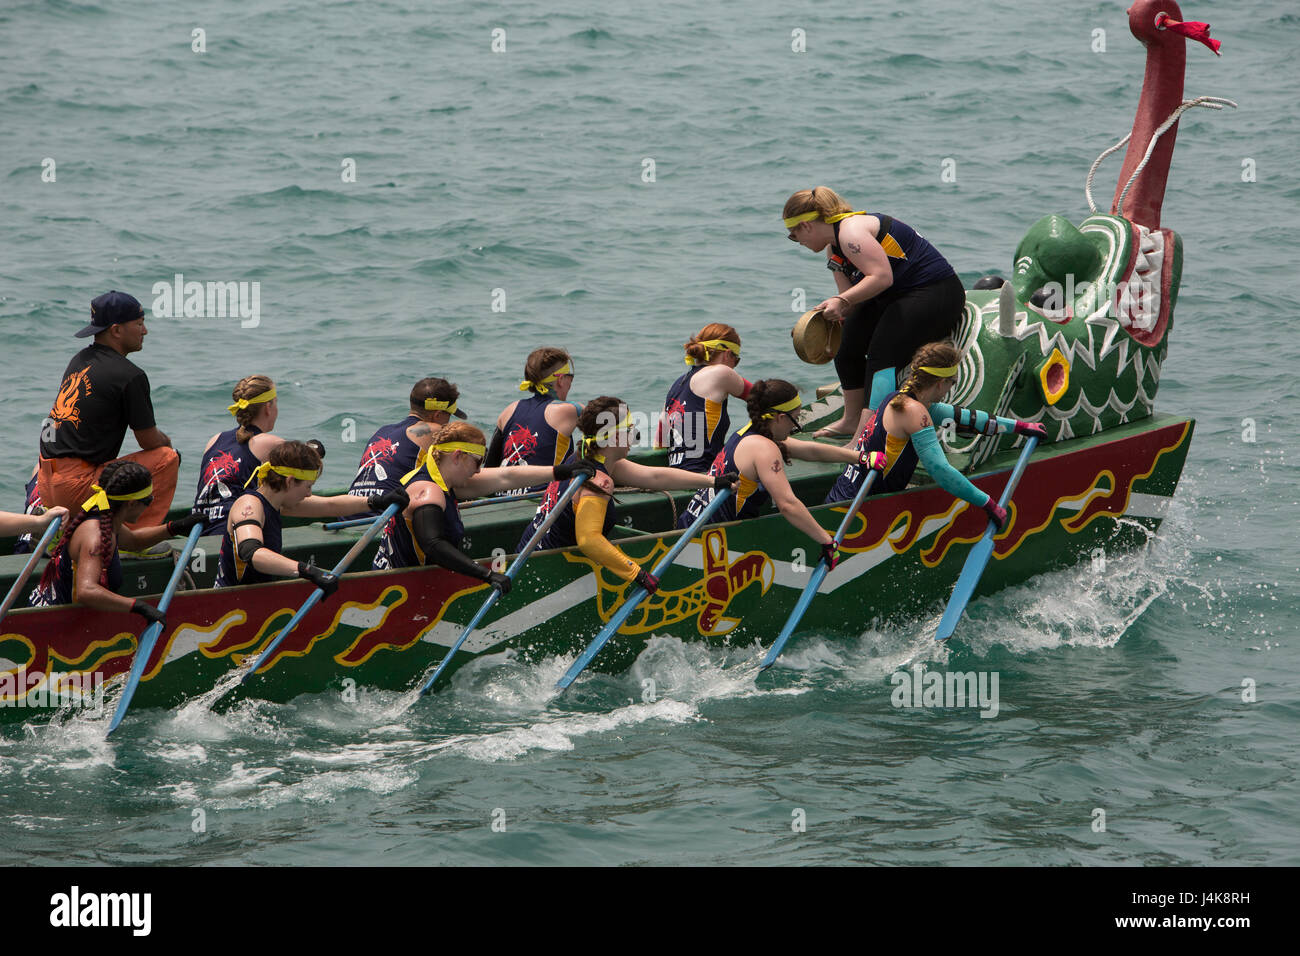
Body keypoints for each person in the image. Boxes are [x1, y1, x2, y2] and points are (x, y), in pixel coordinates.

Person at [783, 187, 965, 439]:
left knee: (881, 354)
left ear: (806, 225)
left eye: (794, 235)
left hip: (934, 292)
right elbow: (851, 301)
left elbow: (881, 277)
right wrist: (816, 323)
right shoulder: (833, 248)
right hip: (893, 296)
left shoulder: (851, 234)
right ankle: (850, 419)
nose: (798, 242)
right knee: (845, 347)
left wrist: (840, 299)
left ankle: (864, 436)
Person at [519, 397, 737, 592]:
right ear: (613, 438)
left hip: (527, 557)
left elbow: (654, 477)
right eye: (630, 429)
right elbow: (588, 540)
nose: (635, 436)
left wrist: (713, 481)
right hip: (544, 572)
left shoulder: (586, 458)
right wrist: (637, 574)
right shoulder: (600, 482)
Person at [824, 343, 1047, 528]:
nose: (951, 388)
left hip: (839, 501)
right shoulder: (915, 412)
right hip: (857, 515)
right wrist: (988, 504)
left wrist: (1019, 426)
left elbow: (966, 418)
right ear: (941, 383)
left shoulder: (899, 398)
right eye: (952, 383)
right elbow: (940, 471)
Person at [678, 380, 882, 569]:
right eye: (797, 418)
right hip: (709, 545)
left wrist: (860, 457)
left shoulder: (749, 433)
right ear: (781, 417)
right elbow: (787, 504)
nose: (796, 426)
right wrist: (827, 541)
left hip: (690, 527)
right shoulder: (765, 449)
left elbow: (811, 451)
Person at [374, 422, 593, 589]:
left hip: (397, 578)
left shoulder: (441, 481)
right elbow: (434, 545)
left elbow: (506, 477)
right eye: (478, 462)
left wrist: (561, 472)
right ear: (458, 456)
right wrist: (486, 575)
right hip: (402, 588)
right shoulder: (429, 492)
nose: (478, 470)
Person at [37, 290, 180, 531]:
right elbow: (148, 440)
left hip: (46, 484)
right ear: (116, 330)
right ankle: (133, 539)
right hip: (76, 488)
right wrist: (166, 441)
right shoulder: (130, 375)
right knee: (167, 458)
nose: (145, 331)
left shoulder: (79, 359)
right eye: (139, 323)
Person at [215, 441, 407, 590]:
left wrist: (377, 500)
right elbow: (252, 553)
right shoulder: (249, 505)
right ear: (290, 481)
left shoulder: (278, 503)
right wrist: (307, 570)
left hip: (256, 597)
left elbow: (330, 506)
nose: (308, 494)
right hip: (230, 601)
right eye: (308, 487)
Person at [29, 460, 202, 620]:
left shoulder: (106, 517)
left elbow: (134, 541)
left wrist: (175, 527)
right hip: (51, 619)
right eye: (148, 500)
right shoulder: (95, 537)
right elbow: (86, 591)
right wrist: (139, 607)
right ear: (132, 504)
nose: (150, 504)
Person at [348, 377, 467, 506]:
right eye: (449, 416)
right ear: (437, 415)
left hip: (351, 512)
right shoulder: (434, 430)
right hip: (384, 516)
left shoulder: (381, 432)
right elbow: (465, 476)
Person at [194, 375, 287, 536]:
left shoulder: (214, 440)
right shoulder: (271, 444)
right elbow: (295, 494)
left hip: (198, 533)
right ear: (267, 407)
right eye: (276, 402)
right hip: (233, 534)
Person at [486, 348, 581, 496]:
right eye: (571, 377)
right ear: (561, 380)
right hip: (542, 500)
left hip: (501, 497)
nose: (571, 382)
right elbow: (611, 418)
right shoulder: (569, 410)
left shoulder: (508, 411)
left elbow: (489, 469)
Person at [660, 324, 752, 473]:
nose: (734, 367)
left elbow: (660, 439)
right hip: (705, 474)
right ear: (727, 354)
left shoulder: (675, 386)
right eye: (736, 360)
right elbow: (768, 398)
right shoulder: (721, 373)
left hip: (677, 475)